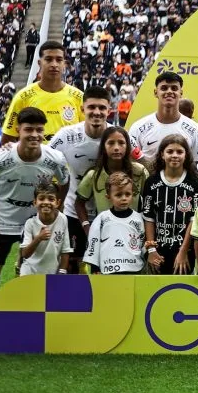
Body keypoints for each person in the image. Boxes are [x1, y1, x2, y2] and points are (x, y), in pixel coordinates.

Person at [0, 107, 69, 313]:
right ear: (18, 130)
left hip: (36, 224)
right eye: (29, 129)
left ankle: (35, 318)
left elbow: (64, 181)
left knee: (39, 274)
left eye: (39, 130)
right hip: (1, 223)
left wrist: (57, 210)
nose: (34, 134)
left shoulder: (55, 158)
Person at [48, 85, 112, 274]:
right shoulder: (67, 135)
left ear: (109, 110)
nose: (97, 112)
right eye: (91, 107)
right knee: (70, 266)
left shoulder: (117, 136)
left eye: (102, 108)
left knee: (105, 268)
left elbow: (139, 164)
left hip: (107, 214)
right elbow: (45, 160)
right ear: (82, 109)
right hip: (73, 212)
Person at [141, 134, 198, 275]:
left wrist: (183, 251)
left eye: (179, 152)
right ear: (162, 155)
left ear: (186, 155)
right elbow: (148, 218)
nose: (175, 155)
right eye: (170, 151)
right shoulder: (151, 182)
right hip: (157, 252)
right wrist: (151, 250)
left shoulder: (195, 182)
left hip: (184, 252)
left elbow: (194, 220)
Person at [1, 41, 83, 144]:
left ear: (64, 64)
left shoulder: (79, 97)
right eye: (48, 59)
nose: (54, 64)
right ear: (39, 63)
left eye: (59, 60)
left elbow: (89, 136)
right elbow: (8, 138)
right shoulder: (22, 97)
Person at [128, 71, 198, 162]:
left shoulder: (196, 130)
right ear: (156, 92)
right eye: (164, 88)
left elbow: (197, 166)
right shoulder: (137, 128)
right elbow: (132, 164)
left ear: (181, 93)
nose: (169, 91)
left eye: (174, 88)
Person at [75, 127, 148, 222]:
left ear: (127, 146)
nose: (116, 148)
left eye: (121, 143)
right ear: (103, 147)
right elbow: (79, 203)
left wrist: (146, 225)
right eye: (111, 143)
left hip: (133, 228)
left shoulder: (139, 171)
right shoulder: (94, 175)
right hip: (105, 229)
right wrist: (87, 226)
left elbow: (150, 201)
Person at [82, 172, 147, 275]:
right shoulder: (102, 218)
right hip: (109, 270)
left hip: (134, 269)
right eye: (118, 195)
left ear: (133, 194)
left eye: (127, 194)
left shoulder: (138, 219)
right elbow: (93, 243)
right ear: (108, 197)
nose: (124, 198)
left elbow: (142, 242)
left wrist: (147, 251)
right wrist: (94, 267)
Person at [19, 182, 72, 276]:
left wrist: (62, 271)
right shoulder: (30, 223)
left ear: (57, 203)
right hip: (30, 272)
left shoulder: (63, 219)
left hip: (52, 273)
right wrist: (38, 238)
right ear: (35, 202)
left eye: (51, 199)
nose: (46, 202)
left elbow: (65, 249)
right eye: (41, 198)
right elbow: (25, 254)